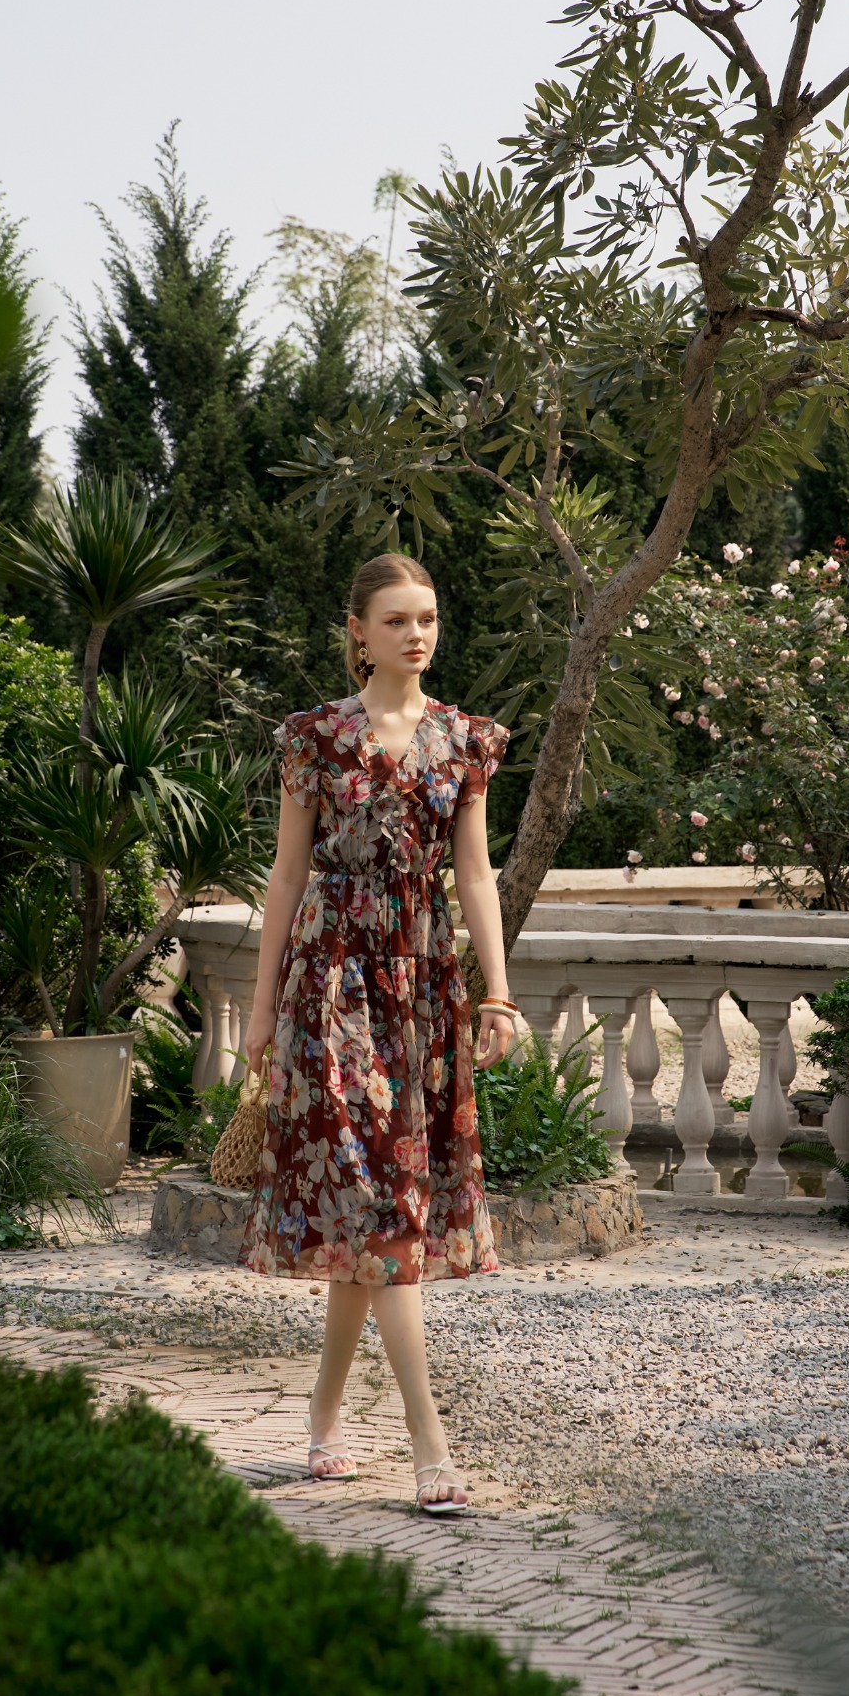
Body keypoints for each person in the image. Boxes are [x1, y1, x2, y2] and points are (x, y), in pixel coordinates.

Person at [238, 552, 515, 1517]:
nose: (416, 634)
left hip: (423, 986)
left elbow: (474, 875)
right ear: (358, 632)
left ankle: (322, 1418)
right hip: (332, 986)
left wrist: (498, 995)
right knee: (386, 1202)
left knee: (375, 1215)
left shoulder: (465, 740)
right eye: (396, 620)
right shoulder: (315, 738)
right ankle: (428, 1444)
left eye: (427, 618)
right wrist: (262, 1011)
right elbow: (286, 876)